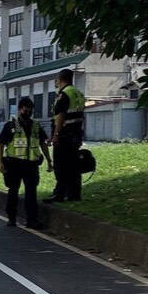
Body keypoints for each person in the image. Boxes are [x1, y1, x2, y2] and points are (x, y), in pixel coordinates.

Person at [0, 97, 53, 228]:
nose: (28, 111)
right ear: (20, 109)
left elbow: (43, 144)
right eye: (26, 108)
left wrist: (49, 161)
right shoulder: (11, 126)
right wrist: (0, 162)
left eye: (30, 109)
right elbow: (0, 145)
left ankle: (31, 220)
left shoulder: (36, 126)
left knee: (31, 193)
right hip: (14, 164)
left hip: (31, 165)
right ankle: (11, 218)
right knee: (13, 192)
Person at [44, 68, 85, 203]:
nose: (55, 82)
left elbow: (61, 116)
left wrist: (56, 135)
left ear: (61, 79)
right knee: (73, 166)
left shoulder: (64, 94)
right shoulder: (78, 93)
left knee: (61, 165)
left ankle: (59, 194)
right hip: (76, 135)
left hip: (64, 136)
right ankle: (74, 194)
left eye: (56, 79)